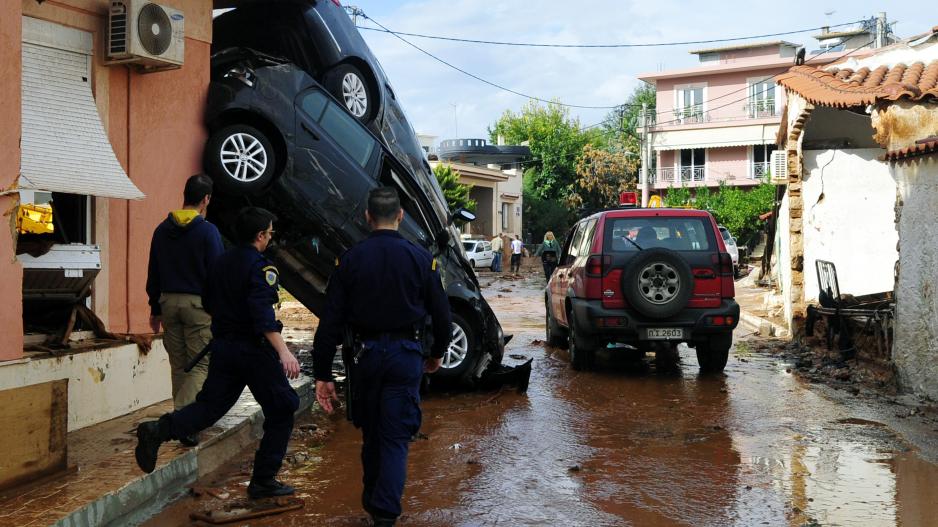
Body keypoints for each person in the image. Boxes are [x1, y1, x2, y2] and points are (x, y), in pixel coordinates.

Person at [135, 207, 301, 500]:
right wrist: (284, 351)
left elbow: (209, 302)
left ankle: (157, 431)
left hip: (224, 347)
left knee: (210, 407)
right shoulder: (262, 268)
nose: (270, 238)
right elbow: (262, 313)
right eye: (270, 233)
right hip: (252, 350)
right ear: (260, 236)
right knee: (284, 407)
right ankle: (263, 480)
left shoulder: (221, 262)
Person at [312, 187, 451, 527]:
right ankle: (384, 513)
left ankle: (376, 504)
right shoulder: (421, 258)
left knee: (372, 431)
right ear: (400, 216)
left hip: (364, 357)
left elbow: (330, 322)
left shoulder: (349, 259)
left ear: (367, 217)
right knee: (394, 436)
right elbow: (443, 315)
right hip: (405, 356)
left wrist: (322, 374)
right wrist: (436, 354)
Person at [145, 174, 224, 446]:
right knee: (200, 364)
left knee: (179, 365)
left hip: (168, 302)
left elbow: (153, 271)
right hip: (198, 306)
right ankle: (184, 422)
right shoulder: (208, 231)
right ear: (206, 199)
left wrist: (155, 308)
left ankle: (181, 420)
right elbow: (217, 275)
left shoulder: (161, 229)